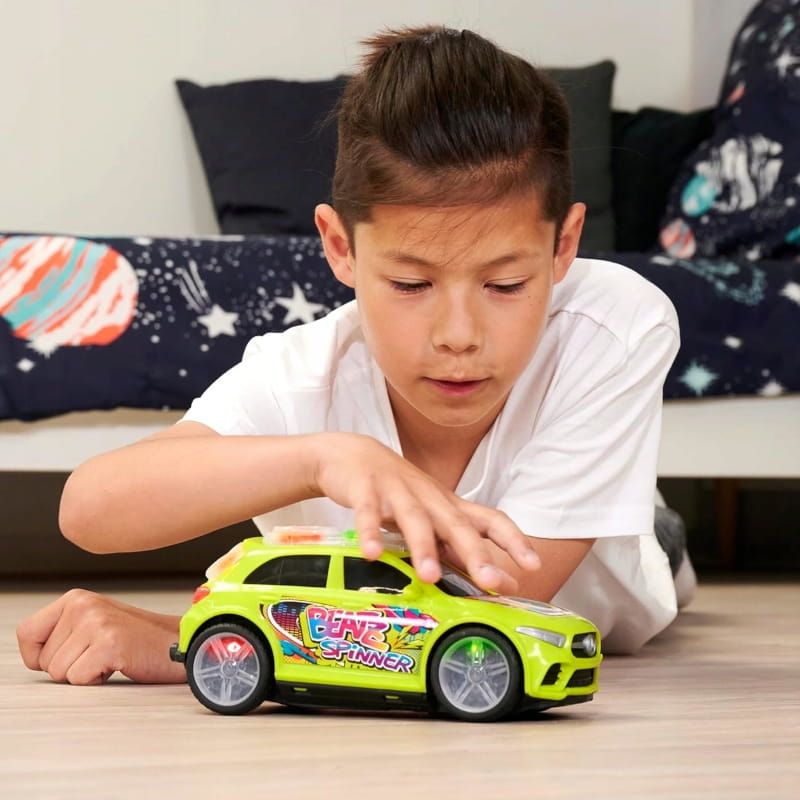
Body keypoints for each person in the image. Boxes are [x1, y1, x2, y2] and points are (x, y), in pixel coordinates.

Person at [17, 26, 694, 686]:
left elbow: (496, 596)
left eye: (506, 285)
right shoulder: (304, 371)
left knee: (652, 538)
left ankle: (651, 518)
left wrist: (184, 641)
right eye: (411, 285)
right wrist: (324, 459)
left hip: (621, 575)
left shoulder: (613, 322)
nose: (458, 336)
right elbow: (89, 509)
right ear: (340, 247)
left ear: (564, 245)